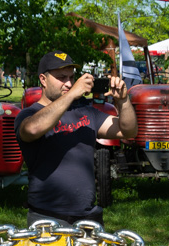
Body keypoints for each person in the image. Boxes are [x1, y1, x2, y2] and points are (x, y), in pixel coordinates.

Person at [15, 50, 137, 226]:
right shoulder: (29, 114)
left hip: (88, 217)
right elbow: (33, 129)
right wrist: (72, 94)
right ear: (43, 79)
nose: (68, 83)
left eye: (71, 78)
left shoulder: (86, 112)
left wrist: (123, 101)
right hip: (46, 218)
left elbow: (128, 131)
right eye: (62, 77)